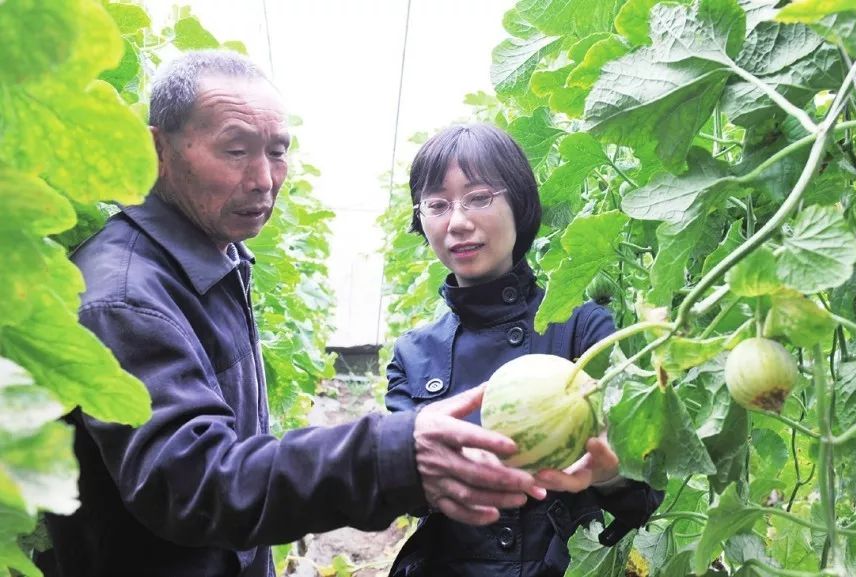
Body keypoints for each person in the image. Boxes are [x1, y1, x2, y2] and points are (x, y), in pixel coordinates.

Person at [40, 51, 545, 577]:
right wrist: (390, 453)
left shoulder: (209, 257)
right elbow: (195, 483)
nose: (263, 178)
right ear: (156, 149)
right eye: (235, 150)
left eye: (277, 153)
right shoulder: (124, 296)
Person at [385, 124, 663, 576]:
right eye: (437, 205)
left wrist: (608, 473)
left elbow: (645, 494)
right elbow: (402, 489)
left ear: (520, 202)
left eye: (478, 197)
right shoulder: (415, 353)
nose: (457, 221)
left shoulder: (584, 328)